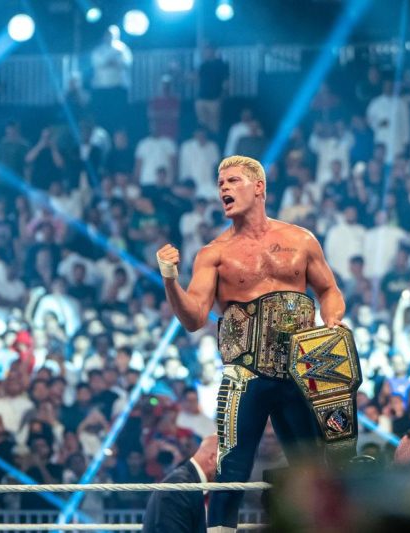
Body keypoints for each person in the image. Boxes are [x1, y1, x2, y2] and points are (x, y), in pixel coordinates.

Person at [156, 155, 346, 531]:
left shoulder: (301, 240)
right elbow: (193, 318)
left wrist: (333, 321)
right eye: (220, 183)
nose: (223, 189)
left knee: (313, 468)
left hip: (300, 371)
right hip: (245, 374)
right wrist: (169, 279)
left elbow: (329, 290)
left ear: (259, 187)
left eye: (233, 181)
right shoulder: (214, 254)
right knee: (231, 469)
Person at [142, 435, 218, 533]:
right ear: (212, 458)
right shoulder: (180, 487)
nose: (230, 472)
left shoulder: (190, 482)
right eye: (228, 464)